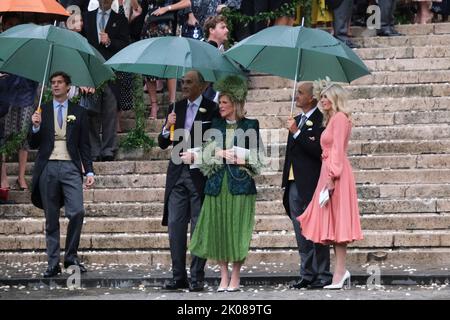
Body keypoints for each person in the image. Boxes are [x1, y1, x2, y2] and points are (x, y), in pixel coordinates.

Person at [189, 75, 263, 292]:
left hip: (240, 186)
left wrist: (242, 159)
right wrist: (217, 152)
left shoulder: (251, 125)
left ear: (235, 104)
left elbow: (260, 159)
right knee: (220, 230)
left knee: (238, 231)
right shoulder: (216, 124)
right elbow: (205, 154)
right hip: (216, 185)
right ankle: (223, 277)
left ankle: (236, 277)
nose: (220, 106)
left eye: (224, 102)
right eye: (219, 102)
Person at [29, 72, 95, 278]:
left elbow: (85, 145)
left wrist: (89, 170)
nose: (55, 86)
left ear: (68, 86)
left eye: (59, 83)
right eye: (53, 83)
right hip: (48, 166)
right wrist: (36, 126)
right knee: (50, 218)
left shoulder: (79, 112)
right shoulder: (43, 110)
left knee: (77, 211)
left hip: (70, 167)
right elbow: (32, 143)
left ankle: (71, 256)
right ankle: (52, 263)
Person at [158, 70, 219, 292]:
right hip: (176, 176)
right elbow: (163, 143)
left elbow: (216, 143)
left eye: (189, 82)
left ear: (202, 86)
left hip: (199, 176)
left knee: (199, 227)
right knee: (175, 226)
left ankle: (197, 277)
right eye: (183, 82)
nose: (184, 86)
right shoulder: (176, 108)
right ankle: (178, 276)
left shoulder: (212, 110)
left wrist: (198, 154)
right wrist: (166, 127)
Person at [298, 82, 363, 290]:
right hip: (329, 172)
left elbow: (337, 149)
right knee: (333, 223)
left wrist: (332, 176)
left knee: (339, 224)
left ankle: (340, 272)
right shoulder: (333, 119)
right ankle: (340, 272)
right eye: (321, 96)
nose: (322, 100)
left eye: (326, 97)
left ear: (335, 99)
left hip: (336, 174)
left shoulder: (340, 119)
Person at [281, 82, 332, 290]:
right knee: (299, 229)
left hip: (312, 182)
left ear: (311, 98)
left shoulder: (321, 119)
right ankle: (307, 273)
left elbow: (318, 150)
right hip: (294, 182)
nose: (297, 96)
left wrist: (296, 133)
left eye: (300, 93)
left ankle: (323, 273)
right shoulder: (296, 120)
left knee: (317, 230)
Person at [82, 0, 130, 161]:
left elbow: (125, 45)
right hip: (92, 72)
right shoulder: (87, 17)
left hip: (111, 73)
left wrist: (109, 41)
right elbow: (82, 44)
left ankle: (108, 149)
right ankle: (94, 150)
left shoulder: (120, 20)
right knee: (91, 113)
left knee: (110, 111)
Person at [140, 0, 191, 120]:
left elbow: (187, 2)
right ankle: (154, 105)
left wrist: (166, 8)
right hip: (150, 24)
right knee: (149, 66)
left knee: (170, 64)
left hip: (168, 25)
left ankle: (172, 105)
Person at [202, 14, 229, 102]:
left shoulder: (220, 50)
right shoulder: (205, 50)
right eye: (223, 27)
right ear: (212, 30)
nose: (227, 30)